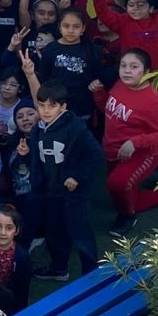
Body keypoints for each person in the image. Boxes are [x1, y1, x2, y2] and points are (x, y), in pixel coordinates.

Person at [30, 81, 104, 279]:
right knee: (54, 231)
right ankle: (59, 268)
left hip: (75, 194)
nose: (45, 110)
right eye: (41, 105)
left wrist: (77, 176)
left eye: (51, 105)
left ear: (63, 107)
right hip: (50, 190)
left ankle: (91, 273)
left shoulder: (76, 128)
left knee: (81, 233)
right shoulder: (37, 128)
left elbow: (96, 155)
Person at [92, 49, 158, 237]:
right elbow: (109, 110)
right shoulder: (119, 85)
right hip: (113, 150)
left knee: (117, 185)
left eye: (134, 67)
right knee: (121, 193)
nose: (127, 71)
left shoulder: (154, 100)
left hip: (141, 154)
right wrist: (98, 94)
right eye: (123, 66)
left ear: (147, 71)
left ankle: (128, 216)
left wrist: (135, 142)